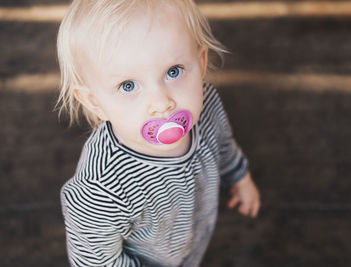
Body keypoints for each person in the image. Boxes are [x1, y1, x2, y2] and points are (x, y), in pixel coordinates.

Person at [56, 0, 260, 266]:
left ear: (200, 62)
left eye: (173, 72)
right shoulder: (101, 189)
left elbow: (223, 143)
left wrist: (239, 176)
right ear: (94, 102)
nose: (162, 103)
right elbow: (98, 261)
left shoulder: (206, 103)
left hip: (190, 243)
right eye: (128, 86)